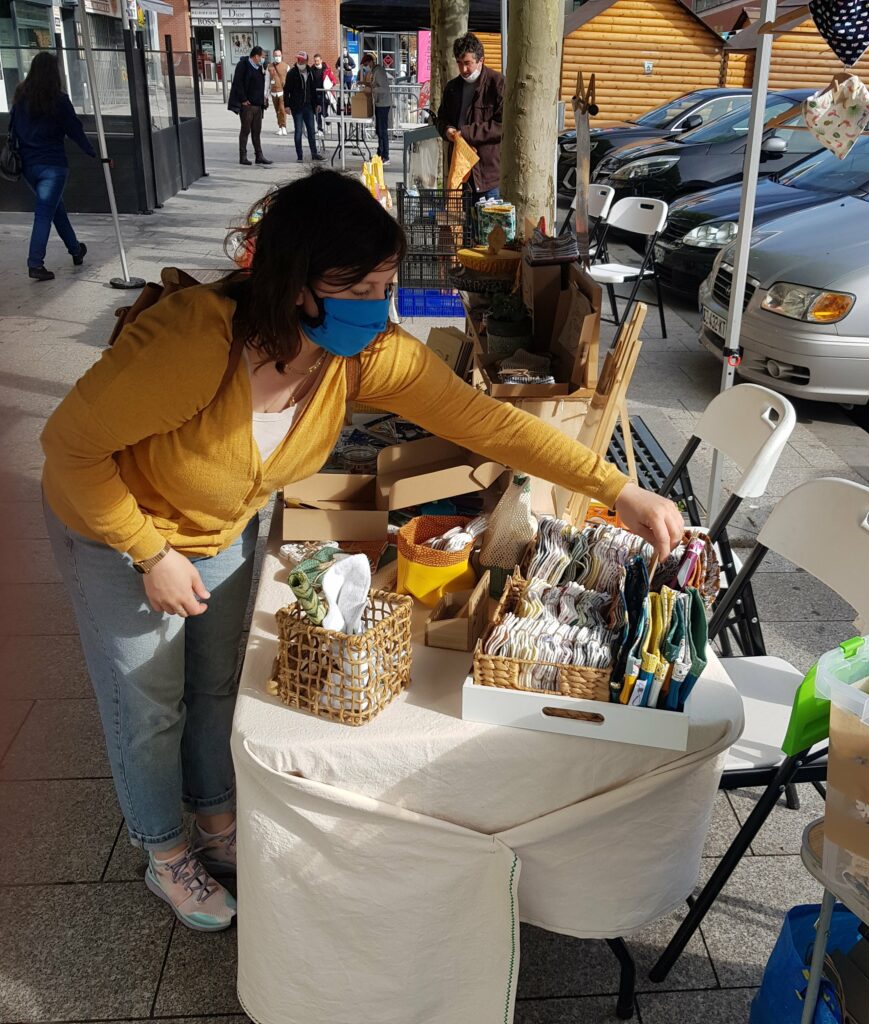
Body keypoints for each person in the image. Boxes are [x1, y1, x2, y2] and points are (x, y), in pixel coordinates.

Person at [40, 169, 684, 932]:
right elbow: (70, 454)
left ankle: (215, 821)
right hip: (115, 525)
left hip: (217, 529)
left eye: (386, 284)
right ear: (295, 280)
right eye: (359, 285)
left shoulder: (362, 356)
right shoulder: (194, 340)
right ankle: (163, 849)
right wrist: (149, 554)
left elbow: (490, 424)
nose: (378, 307)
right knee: (148, 703)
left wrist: (620, 489)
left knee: (214, 687)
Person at [9, 51, 94, 282]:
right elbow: (75, 130)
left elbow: (13, 128)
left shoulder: (20, 96)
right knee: (44, 213)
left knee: (56, 209)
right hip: (53, 166)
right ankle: (35, 263)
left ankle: (76, 250)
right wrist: (93, 153)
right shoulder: (59, 100)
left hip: (28, 166)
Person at [437, 33, 504, 201]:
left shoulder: (498, 84)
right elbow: (441, 118)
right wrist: (447, 130)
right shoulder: (452, 87)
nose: (463, 70)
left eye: (467, 63)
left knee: (490, 226)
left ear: (481, 60)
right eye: (459, 63)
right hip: (461, 172)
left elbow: (501, 126)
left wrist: (465, 133)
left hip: (488, 173)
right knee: (462, 224)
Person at [228, 46, 272, 167]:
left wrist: (264, 99)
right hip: (247, 105)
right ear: (256, 56)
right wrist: (243, 99)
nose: (263, 59)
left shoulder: (259, 68)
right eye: (262, 57)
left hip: (258, 105)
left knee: (256, 131)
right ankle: (243, 156)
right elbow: (238, 83)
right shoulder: (243, 65)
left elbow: (262, 85)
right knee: (245, 130)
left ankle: (259, 155)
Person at [284, 51, 322, 163]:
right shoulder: (292, 73)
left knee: (311, 130)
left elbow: (313, 90)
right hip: (297, 107)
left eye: (301, 59)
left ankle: (314, 153)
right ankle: (299, 155)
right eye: (298, 59)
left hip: (309, 106)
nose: (299, 61)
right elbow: (286, 90)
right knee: (298, 131)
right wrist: (287, 105)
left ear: (306, 61)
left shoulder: (310, 72)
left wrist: (317, 104)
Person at [362, 52, 393, 164]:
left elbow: (383, 88)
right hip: (380, 103)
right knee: (379, 130)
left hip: (383, 104)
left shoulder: (378, 71)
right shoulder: (375, 71)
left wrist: (372, 90)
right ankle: (380, 153)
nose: (366, 66)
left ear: (371, 62)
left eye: (366, 63)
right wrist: (364, 83)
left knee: (382, 130)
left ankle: (385, 156)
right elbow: (375, 85)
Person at [312, 53, 337, 134]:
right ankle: (320, 129)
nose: (316, 62)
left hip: (324, 94)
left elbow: (334, 81)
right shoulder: (312, 70)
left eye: (318, 61)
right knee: (317, 113)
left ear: (321, 60)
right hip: (315, 95)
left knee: (323, 112)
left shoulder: (327, 69)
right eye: (315, 61)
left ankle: (328, 123)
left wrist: (330, 84)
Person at [267, 49, 289, 136]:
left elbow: (289, 80)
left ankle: (284, 127)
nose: (277, 57)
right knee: (277, 111)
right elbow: (267, 80)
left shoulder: (286, 66)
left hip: (282, 92)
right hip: (273, 92)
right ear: (273, 56)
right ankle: (280, 127)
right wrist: (266, 93)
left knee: (282, 110)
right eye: (276, 55)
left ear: (282, 56)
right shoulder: (269, 67)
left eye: (279, 55)